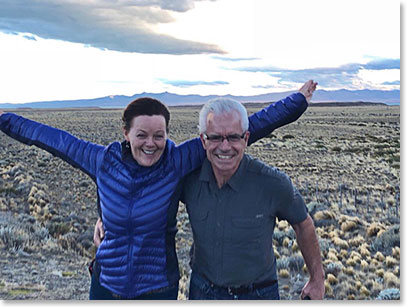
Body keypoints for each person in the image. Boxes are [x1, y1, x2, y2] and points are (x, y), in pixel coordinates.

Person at [0, 80, 317, 300]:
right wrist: (4, 119)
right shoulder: (101, 160)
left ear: (168, 135)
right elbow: (47, 137)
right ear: (126, 133)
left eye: (159, 135)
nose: (150, 143)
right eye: (142, 135)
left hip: (157, 288)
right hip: (105, 285)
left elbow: (254, 126)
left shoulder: (177, 162)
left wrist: (298, 101)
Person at [177, 96, 325, 300]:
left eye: (233, 137)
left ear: (246, 139)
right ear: (203, 140)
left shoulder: (272, 183)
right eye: (216, 137)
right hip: (203, 292)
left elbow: (303, 224)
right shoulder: (188, 181)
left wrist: (317, 279)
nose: (225, 146)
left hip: (258, 293)